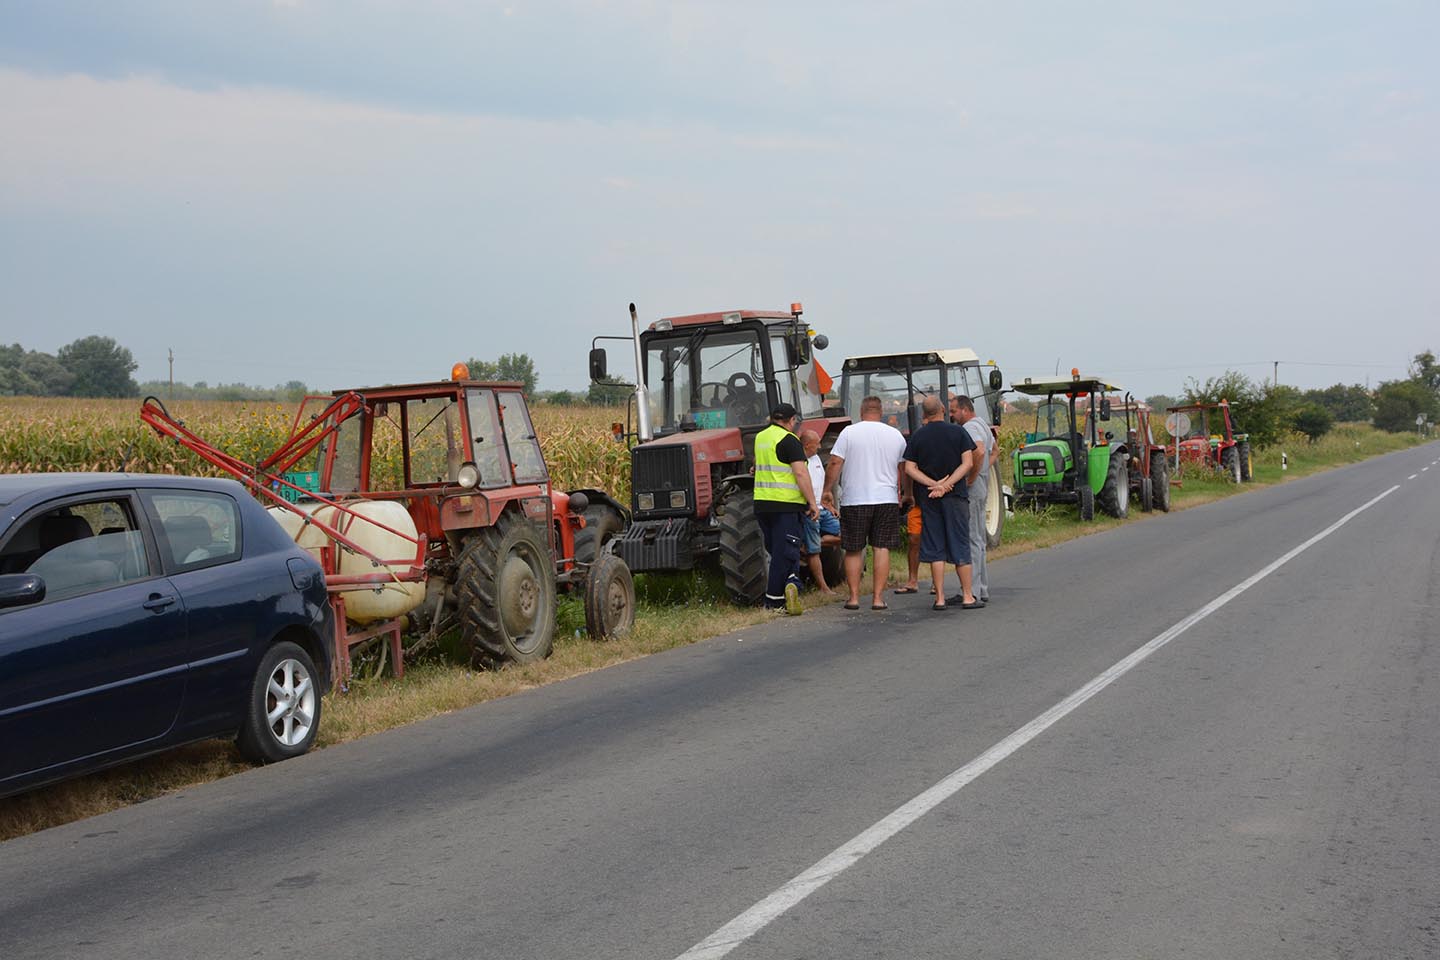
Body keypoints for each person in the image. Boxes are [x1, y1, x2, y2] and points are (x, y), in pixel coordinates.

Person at [824, 396, 908, 611]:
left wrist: (826, 490)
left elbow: (835, 462)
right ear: (880, 412)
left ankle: (853, 597)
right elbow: (903, 467)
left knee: (853, 549)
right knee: (881, 548)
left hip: (855, 499)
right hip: (886, 498)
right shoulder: (895, 435)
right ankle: (878, 598)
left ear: (861, 411)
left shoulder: (849, 433)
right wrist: (905, 492)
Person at [904, 396, 979, 610]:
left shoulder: (918, 436)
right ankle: (967, 596)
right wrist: (948, 485)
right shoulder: (958, 432)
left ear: (924, 414)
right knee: (960, 543)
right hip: (955, 497)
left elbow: (910, 469)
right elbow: (968, 463)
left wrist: (933, 485)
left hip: (929, 499)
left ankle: (939, 598)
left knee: (935, 546)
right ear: (943, 409)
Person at [752, 403, 820, 615]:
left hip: (762, 504)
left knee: (777, 550)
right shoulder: (789, 440)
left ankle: (792, 583)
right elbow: (800, 473)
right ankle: (774, 601)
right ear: (791, 420)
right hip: (786, 505)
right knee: (785, 552)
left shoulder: (760, 437)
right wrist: (812, 502)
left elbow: (755, 467)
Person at [951, 394, 994, 604]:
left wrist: (972, 476)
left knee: (972, 538)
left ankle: (972, 590)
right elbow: (995, 451)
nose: (952, 415)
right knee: (979, 538)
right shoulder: (983, 425)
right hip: (982, 485)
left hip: (974, 488)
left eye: (953, 411)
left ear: (964, 410)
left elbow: (980, 451)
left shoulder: (970, 428)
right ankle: (982, 588)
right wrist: (984, 471)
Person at [799, 430, 841, 595]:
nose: (820, 446)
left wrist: (828, 504)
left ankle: (809, 544)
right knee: (814, 551)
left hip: (822, 508)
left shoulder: (816, 459)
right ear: (808, 445)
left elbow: (822, 485)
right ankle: (823, 587)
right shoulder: (799, 462)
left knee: (845, 534)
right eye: (817, 443)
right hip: (810, 510)